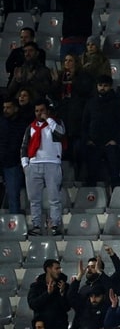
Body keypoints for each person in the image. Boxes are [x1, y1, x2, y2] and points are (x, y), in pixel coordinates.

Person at [21, 100, 64, 236]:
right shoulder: (31, 127)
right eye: (37, 111)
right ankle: (37, 226)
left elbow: (60, 135)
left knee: (54, 197)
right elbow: (24, 146)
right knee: (34, 199)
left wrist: (49, 120)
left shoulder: (55, 124)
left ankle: (55, 225)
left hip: (52, 163)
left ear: (47, 111)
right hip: (33, 164)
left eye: (42, 110)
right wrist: (25, 165)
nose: (39, 113)